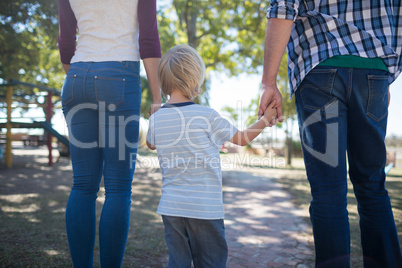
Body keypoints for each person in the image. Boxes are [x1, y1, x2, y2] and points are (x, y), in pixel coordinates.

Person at [258, 0, 402, 267]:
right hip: (374, 71)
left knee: (328, 192)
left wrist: (268, 82)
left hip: (319, 69)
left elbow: (283, 7)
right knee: (372, 187)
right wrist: (388, 74)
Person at [146, 44, 277, 267]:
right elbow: (243, 138)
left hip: (171, 208)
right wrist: (265, 120)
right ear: (195, 80)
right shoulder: (207, 115)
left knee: (178, 262)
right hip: (204, 208)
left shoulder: (156, 119)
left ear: (164, 81)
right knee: (211, 262)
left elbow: (151, 144)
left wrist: (155, 115)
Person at [58, 0, 161, 267]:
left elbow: (65, 42)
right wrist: (157, 99)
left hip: (76, 77)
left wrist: (81, 77)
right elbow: (148, 39)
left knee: (82, 185)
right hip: (119, 76)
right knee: (117, 189)